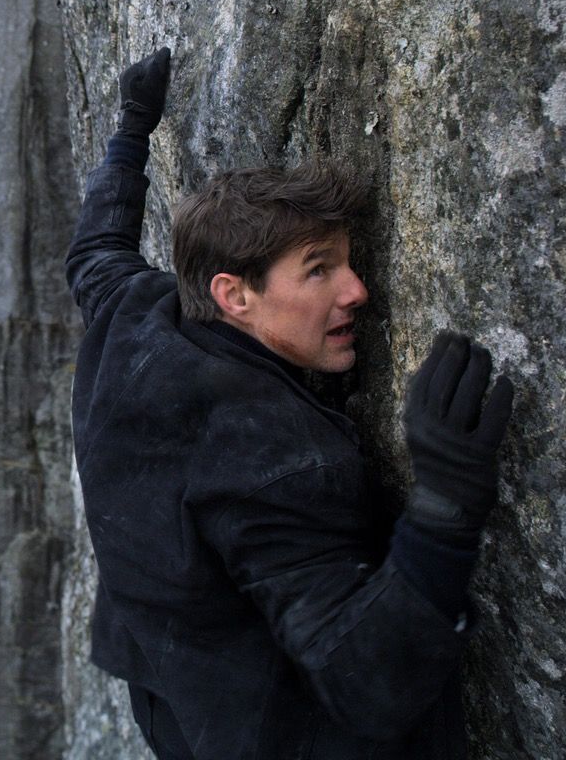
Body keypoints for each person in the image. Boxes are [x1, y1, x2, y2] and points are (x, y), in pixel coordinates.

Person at [67, 47, 515, 759]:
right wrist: (447, 506)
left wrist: (131, 130)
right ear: (232, 294)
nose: (357, 292)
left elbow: (95, 252)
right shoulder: (273, 456)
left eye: (348, 262)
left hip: (168, 694)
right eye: (318, 271)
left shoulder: (137, 313)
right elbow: (367, 681)